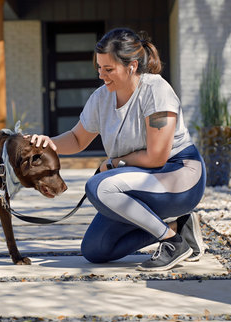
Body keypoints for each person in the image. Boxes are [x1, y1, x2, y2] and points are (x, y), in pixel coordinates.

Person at [30, 28, 206, 271]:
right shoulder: (101, 98)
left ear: (132, 66)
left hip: (179, 176)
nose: (102, 75)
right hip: (141, 180)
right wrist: (48, 144)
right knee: (95, 249)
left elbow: (157, 157)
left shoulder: (156, 91)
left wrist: (113, 163)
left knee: (99, 186)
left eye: (109, 69)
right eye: (99, 68)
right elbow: (77, 138)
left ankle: (172, 242)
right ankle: (180, 227)